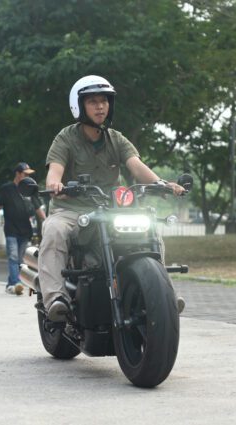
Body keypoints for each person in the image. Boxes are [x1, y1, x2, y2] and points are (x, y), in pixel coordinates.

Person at [39, 75, 186, 321]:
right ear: (79, 106)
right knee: (53, 230)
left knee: (151, 231)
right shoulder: (66, 137)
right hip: (71, 210)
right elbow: (55, 170)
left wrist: (163, 184)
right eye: (93, 101)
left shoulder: (115, 138)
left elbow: (136, 166)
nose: (100, 106)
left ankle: (162, 292)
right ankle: (56, 298)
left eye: (104, 101)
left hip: (111, 209)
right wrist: (55, 183)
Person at [0, 162, 47, 295]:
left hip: (25, 231)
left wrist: (47, 222)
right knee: (13, 257)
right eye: (25, 174)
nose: (27, 177)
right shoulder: (7, 189)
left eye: (29, 175)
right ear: (18, 174)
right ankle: (16, 283)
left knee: (20, 260)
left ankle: (11, 283)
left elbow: (37, 208)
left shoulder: (30, 188)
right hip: (11, 230)